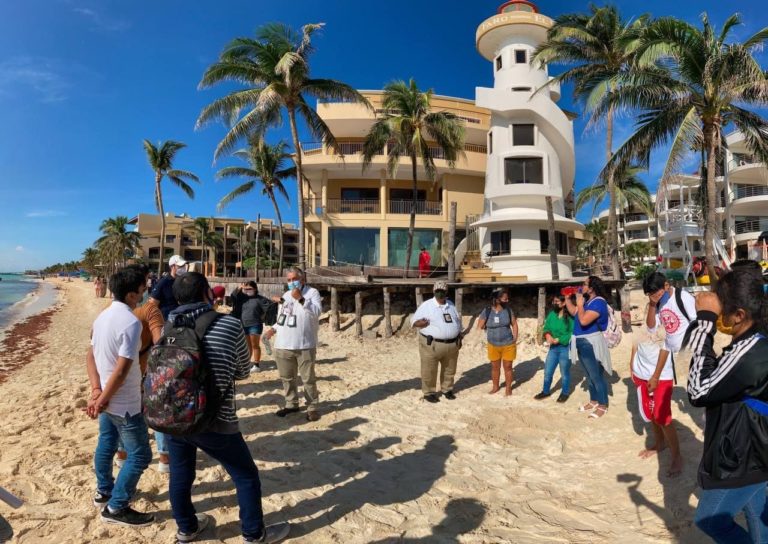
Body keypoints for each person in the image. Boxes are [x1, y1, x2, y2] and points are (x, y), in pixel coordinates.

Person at [165, 272, 290, 543]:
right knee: (245, 475)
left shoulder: (168, 325)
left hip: (174, 414)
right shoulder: (229, 325)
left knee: (180, 473)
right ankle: (253, 534)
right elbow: (244, 371)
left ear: (177, 297)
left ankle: (186, 529)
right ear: (207, 294)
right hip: (214, 417)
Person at [687, 270, 768, 543]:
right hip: (754, 451)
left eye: (723, 307)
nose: (719, 312)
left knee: (711, 520)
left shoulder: (750, 353)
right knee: (757, 514)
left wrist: (705, 321)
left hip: (743, 456)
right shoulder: (755, 339)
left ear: (740, 315)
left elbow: (698, 390)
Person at [85, 267, 154, 527]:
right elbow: (124, 368)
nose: (145, 291)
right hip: (124, 402)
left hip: (107, 396)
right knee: (140, 455)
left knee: (107, 443)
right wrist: (101, 398)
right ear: (132, 293)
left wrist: (97, 392)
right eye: (142, 287)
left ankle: (104, 491)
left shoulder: (102, 317)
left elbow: (90, 355)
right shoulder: (131, 322)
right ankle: (116, 507)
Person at [639, 271, 696, 477]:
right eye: (649, 294)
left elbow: (700, 323)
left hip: (690, 355)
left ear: (665, 285)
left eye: (654, 292)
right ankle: (662, 445)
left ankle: (677, 457)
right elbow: (653, 327)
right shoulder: (659, 303)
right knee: (656, 412)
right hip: (669, 356)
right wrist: (653, 304)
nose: (652, 296)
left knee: (664, 414)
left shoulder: (683, 297)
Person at [114, 264, 169, 473]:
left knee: (123, 415)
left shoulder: (109, 312)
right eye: (147, 281)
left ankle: (121, 454)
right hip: (145, 371)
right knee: (156, 411)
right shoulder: (149, 309)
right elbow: (160, 340)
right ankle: (164, 458)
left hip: (120, 374)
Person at [262, 267, 323, 421]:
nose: (291, 282)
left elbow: (316, 313)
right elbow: (283, 318)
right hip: (283, 344)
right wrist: (273, 329)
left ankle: (312, 407)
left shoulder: (312, 293)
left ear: (302, 279)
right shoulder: (286, 295)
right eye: (288, 280)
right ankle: (291, 404)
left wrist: (301, 298)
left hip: (304, 344)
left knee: (308, 379)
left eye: (294, 279)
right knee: (287, 378)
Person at [565, 275, 612, 418]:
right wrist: (568, 298)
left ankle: (603, 405)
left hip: (590, 342)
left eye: (585, 284)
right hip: (580, 341)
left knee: (596, 375)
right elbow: (574, 313)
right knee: (588, 376)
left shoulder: (599, 303)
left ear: (591, 288)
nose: (582, 285)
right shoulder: (588, 301)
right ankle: (593, 400)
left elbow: (584, 321)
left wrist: (580, 304)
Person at [412, 280, 462, 403]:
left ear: (446, 292)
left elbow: (457, 321)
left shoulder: (450, 305)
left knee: (449, 369)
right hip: (431, 344)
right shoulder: (426, 305)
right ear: (434, 291)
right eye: (438, 291)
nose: (440, 294)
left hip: (452, 344)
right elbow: (413, 322)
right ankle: (429, 392)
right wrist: (421, 323)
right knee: (429, 369)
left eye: (443, 291)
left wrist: (459, 336)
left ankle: (447, 389)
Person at [476, 288, 518, 396]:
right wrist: (483, 324)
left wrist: (515, 337)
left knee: (508, 367)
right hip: (493, 344)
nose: (507, 300)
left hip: (508, 344)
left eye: (507, 298)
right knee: (495, 367)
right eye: (505, 299)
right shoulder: (487, 310)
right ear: (497, 299)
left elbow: (514, 324)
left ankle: (508, 388)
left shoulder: (508, 310)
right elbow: (479, 326)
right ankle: (495, 386)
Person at [534, 294, 573, 402]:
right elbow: (546, 328)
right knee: (548, 371)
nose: (554, 303)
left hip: (565, 347)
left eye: (557, 301)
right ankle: (546, 391)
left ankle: (565, 393)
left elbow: (572, 332)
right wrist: (547, 335)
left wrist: (559, 340)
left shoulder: (570, 316)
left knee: (564, 372)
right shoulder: (551, 314)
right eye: (554, 301)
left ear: (564, 303)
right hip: (553, 348)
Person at [232, 281, 271, 373]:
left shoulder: (260, 299)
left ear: (255, 289)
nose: (247, 290)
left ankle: (256, 365)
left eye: (249, 289)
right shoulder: (241, 298)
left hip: (255, 325)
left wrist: (263, 317)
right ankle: (247, 363)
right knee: (247, 346)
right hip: (243, 325)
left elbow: (270, 308)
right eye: (245, 289)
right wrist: (239, 287)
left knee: (255, 345)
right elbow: (233, 296)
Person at [149, 255, 188, 320]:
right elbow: (152, 304)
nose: (183, 268)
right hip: (166, 322)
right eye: (180, 266)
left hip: (181, 321)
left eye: (184, 266)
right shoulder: (163, 282)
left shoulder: (184, 282)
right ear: (172, 266)